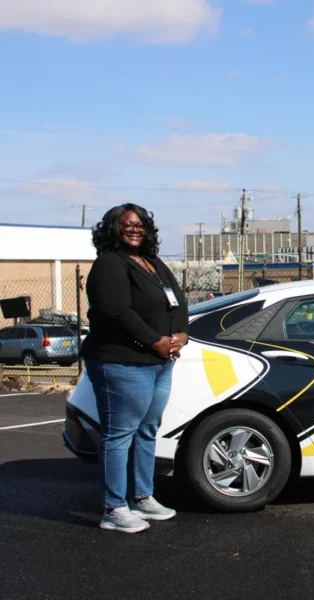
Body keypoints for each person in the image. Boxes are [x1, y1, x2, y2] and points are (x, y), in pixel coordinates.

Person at [80, 203, 189, 533]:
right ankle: (113, 508)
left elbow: (179, 302)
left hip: (159, 363)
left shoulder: (153, 263)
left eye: (140, 224)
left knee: (146, 430)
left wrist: (181, 335)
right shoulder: (110, 265)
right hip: (122, 362)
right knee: (119, 434)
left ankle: (143, 497)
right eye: (127, 224)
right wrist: (154, 341)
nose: (134, 228)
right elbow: (118, 312)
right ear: (113, 228)